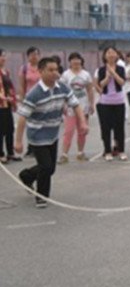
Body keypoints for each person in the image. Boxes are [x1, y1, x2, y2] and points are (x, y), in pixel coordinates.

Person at [15, 57, 88, 208]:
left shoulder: (62, 88)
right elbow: (22, 118)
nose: (55, 73)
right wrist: (18, 141)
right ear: (41, 71)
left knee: (50, 168)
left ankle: (26, 176)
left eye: (56, 69)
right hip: (37, 136)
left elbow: (75, 105)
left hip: (53, 134)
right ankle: (41, 197)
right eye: (51, 70)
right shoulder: (34, 94)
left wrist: (82, 122)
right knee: (46, 167)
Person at [58, 53, 94, 164]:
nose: (76, 61)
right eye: (73, 59)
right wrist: (63, 104)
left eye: (77, 59)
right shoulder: (65, 75)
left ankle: (80, 153)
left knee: (82, 131)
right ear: (70, 62)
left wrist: (91, 104)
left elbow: (90, 90)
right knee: (69, 131)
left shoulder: (86, 74)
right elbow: (61, 90)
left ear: (81, 61)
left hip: (83, 106)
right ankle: (64, 154)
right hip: (70, 107)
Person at [94, 47, 127, 162]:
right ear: (105, 56)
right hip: (105, 102)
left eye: (113, 52)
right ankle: (107, 151)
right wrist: (108, 77)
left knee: (120, 128)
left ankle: (121, 150)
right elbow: (101, 85)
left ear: (117, 55)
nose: (111, 54)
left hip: (119, 101)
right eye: (108, 53)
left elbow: (122, 82)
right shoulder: (100, 70)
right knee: (106, 128)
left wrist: (113, 73)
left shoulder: (121, 68)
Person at [19, 47, 41, 157]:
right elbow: (21, 86)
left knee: (41, 124)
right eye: (32, 54)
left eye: (36, 54)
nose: (34, 57)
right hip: (29, 100)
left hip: (42, 99)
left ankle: (40, 146)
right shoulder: (24, 68)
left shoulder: (42, 67)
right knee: (30, 124)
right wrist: (22, 100)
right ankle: (31, 147)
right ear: (28, 56)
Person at [0, 49, 21, 164]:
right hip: (1, 105)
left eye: (4, 56)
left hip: (7, 104)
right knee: (0, 130)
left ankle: (10, 153)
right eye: (1, 56)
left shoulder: (6, 72)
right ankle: (1, 154)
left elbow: (9, 88)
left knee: (9, 129)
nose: (3, 58)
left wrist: (13, 100)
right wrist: (3, 98)